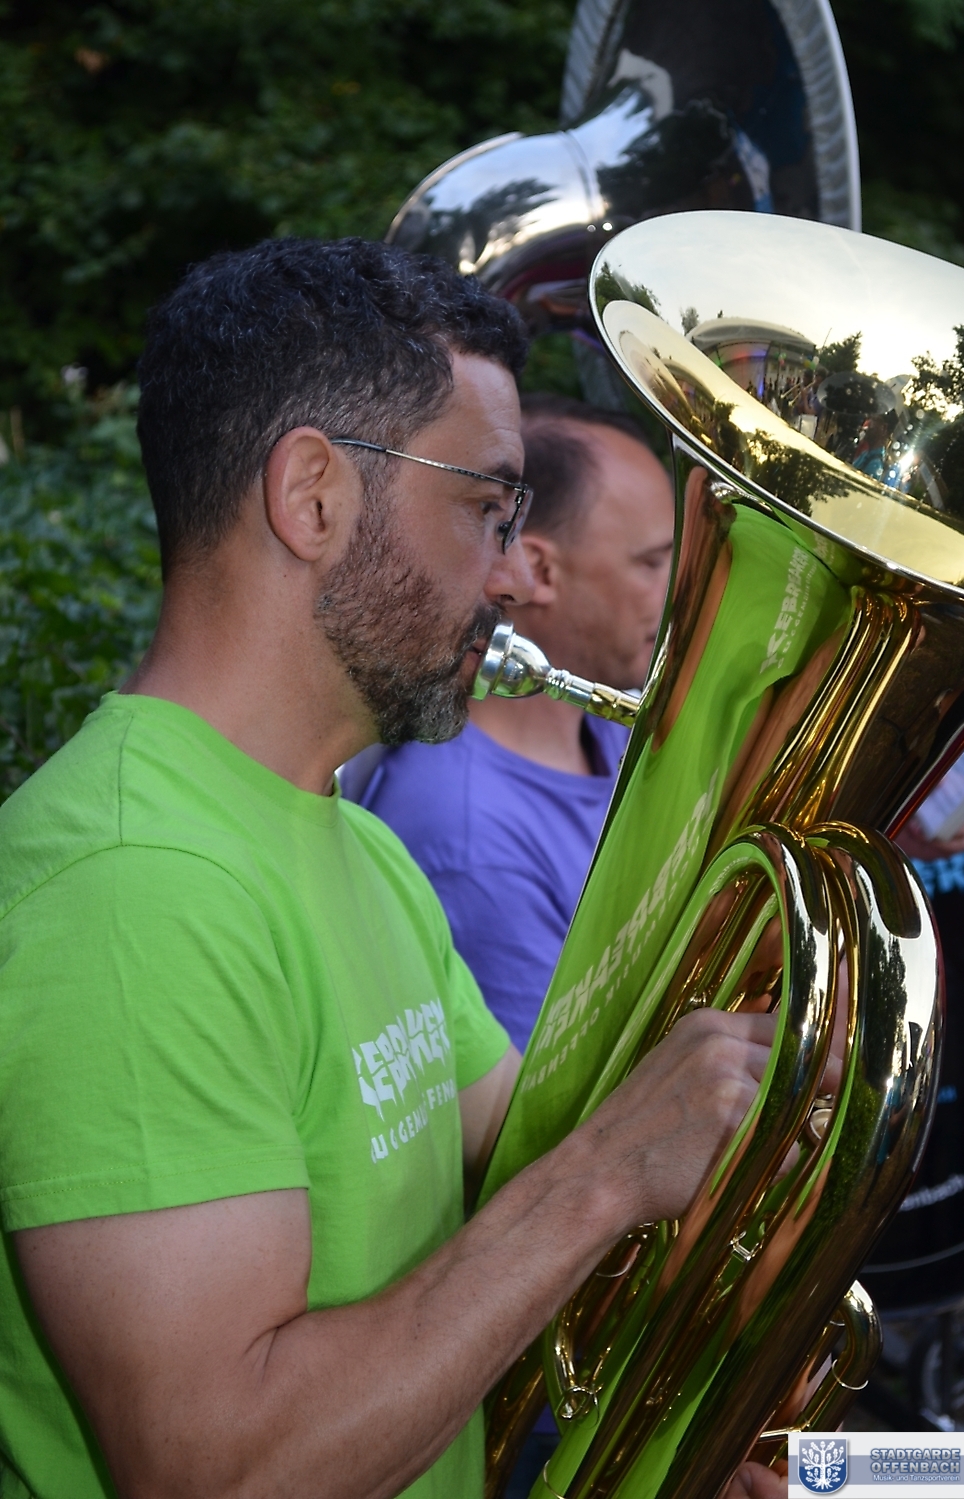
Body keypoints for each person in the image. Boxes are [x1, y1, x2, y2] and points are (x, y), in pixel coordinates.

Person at [0, 237, 792, 1499]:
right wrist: (604, 1174)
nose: (510, 576)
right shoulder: (132, 886)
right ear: (312, 495)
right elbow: (223, 1470)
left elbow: (514, 1152)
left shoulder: (353, 839)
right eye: (486, 509)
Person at [358, 394, 675, 1051]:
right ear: (539, 569)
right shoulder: (469, 838)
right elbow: (549, 1107)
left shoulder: (611, 725)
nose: (675, 588)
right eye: (650, 563)